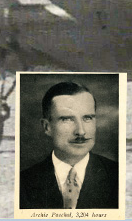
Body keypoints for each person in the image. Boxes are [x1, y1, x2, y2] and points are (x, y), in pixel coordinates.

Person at [19, 81, 119, 209]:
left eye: (87, 118)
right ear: (47, 127)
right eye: (67, 119)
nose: (81, 131)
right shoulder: (22, 183)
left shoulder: (118, 176)